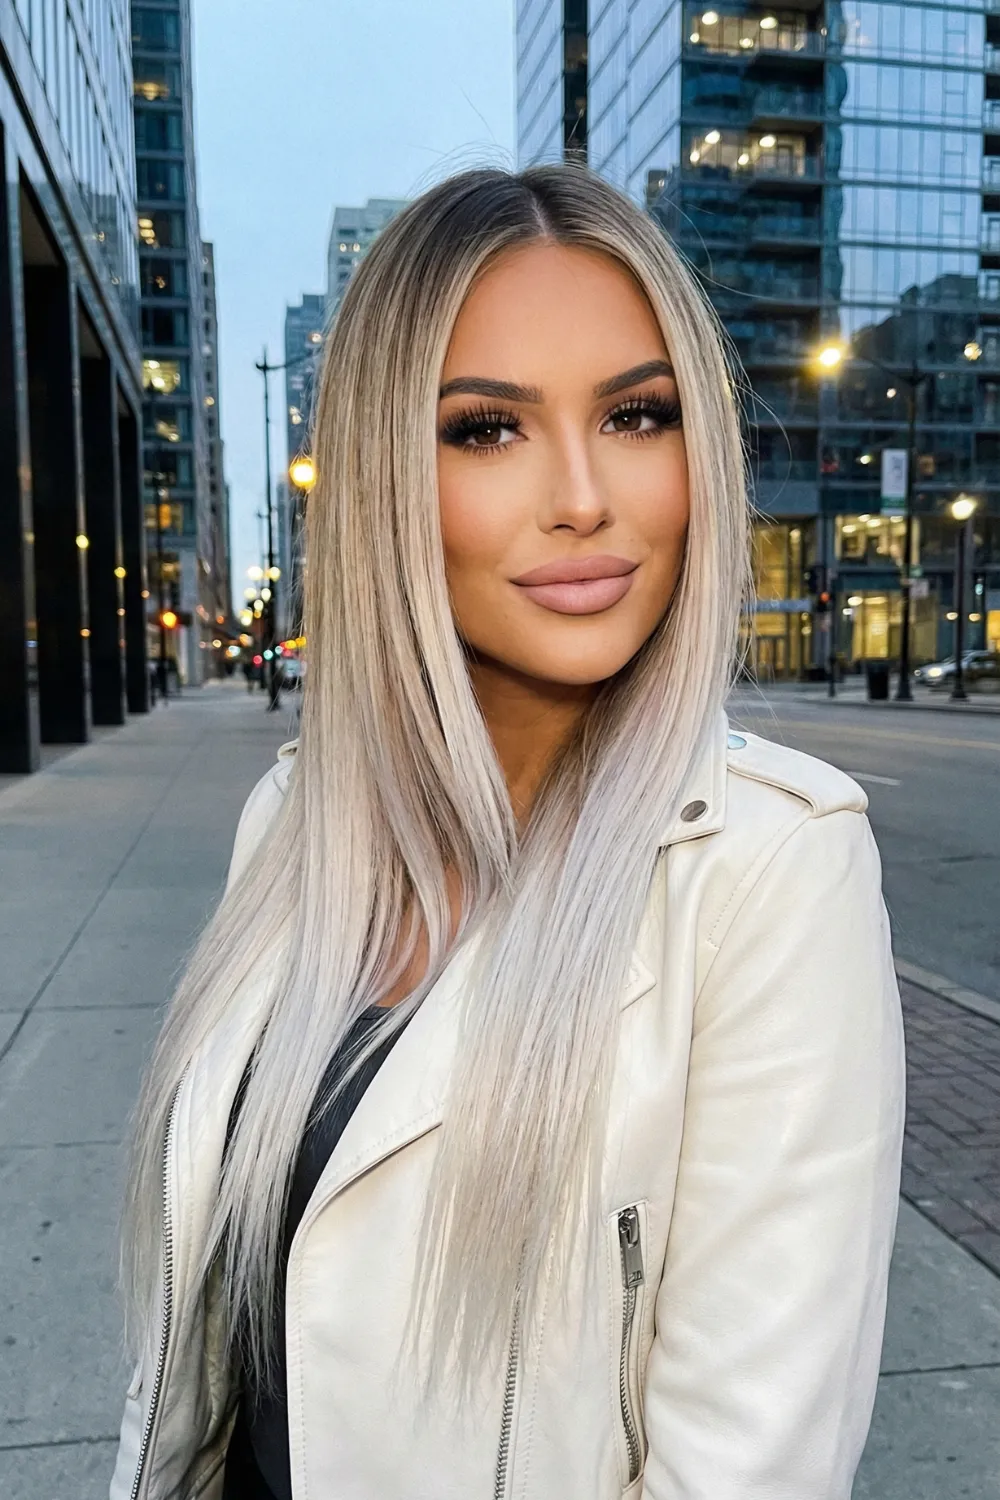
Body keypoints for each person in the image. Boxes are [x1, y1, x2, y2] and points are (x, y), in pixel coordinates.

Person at [111, 166, 905, 1500]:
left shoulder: (774, 870)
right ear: (378, 480)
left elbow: (743, 1470)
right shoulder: (293, 822)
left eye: (637, 415)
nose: (585, 496)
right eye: (488, 431)